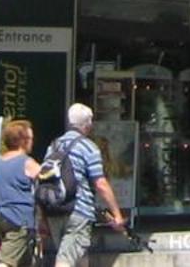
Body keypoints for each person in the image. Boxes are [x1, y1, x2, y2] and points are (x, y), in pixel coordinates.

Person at [47, 103, 124, 267]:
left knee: (79, 255)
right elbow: (100, 183)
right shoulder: (89, 148)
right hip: (78, 211)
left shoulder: (53, 146)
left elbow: (44, 178)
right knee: (66, 259)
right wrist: (117, 214)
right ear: (87, 124)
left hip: (53, 210)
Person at [0, 120, 40, 267]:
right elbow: (46, 177)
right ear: (23, 141)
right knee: (6, 262)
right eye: (30, 139)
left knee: (23, 260)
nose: (32, 143)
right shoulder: (27, 162)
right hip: (18, 218)